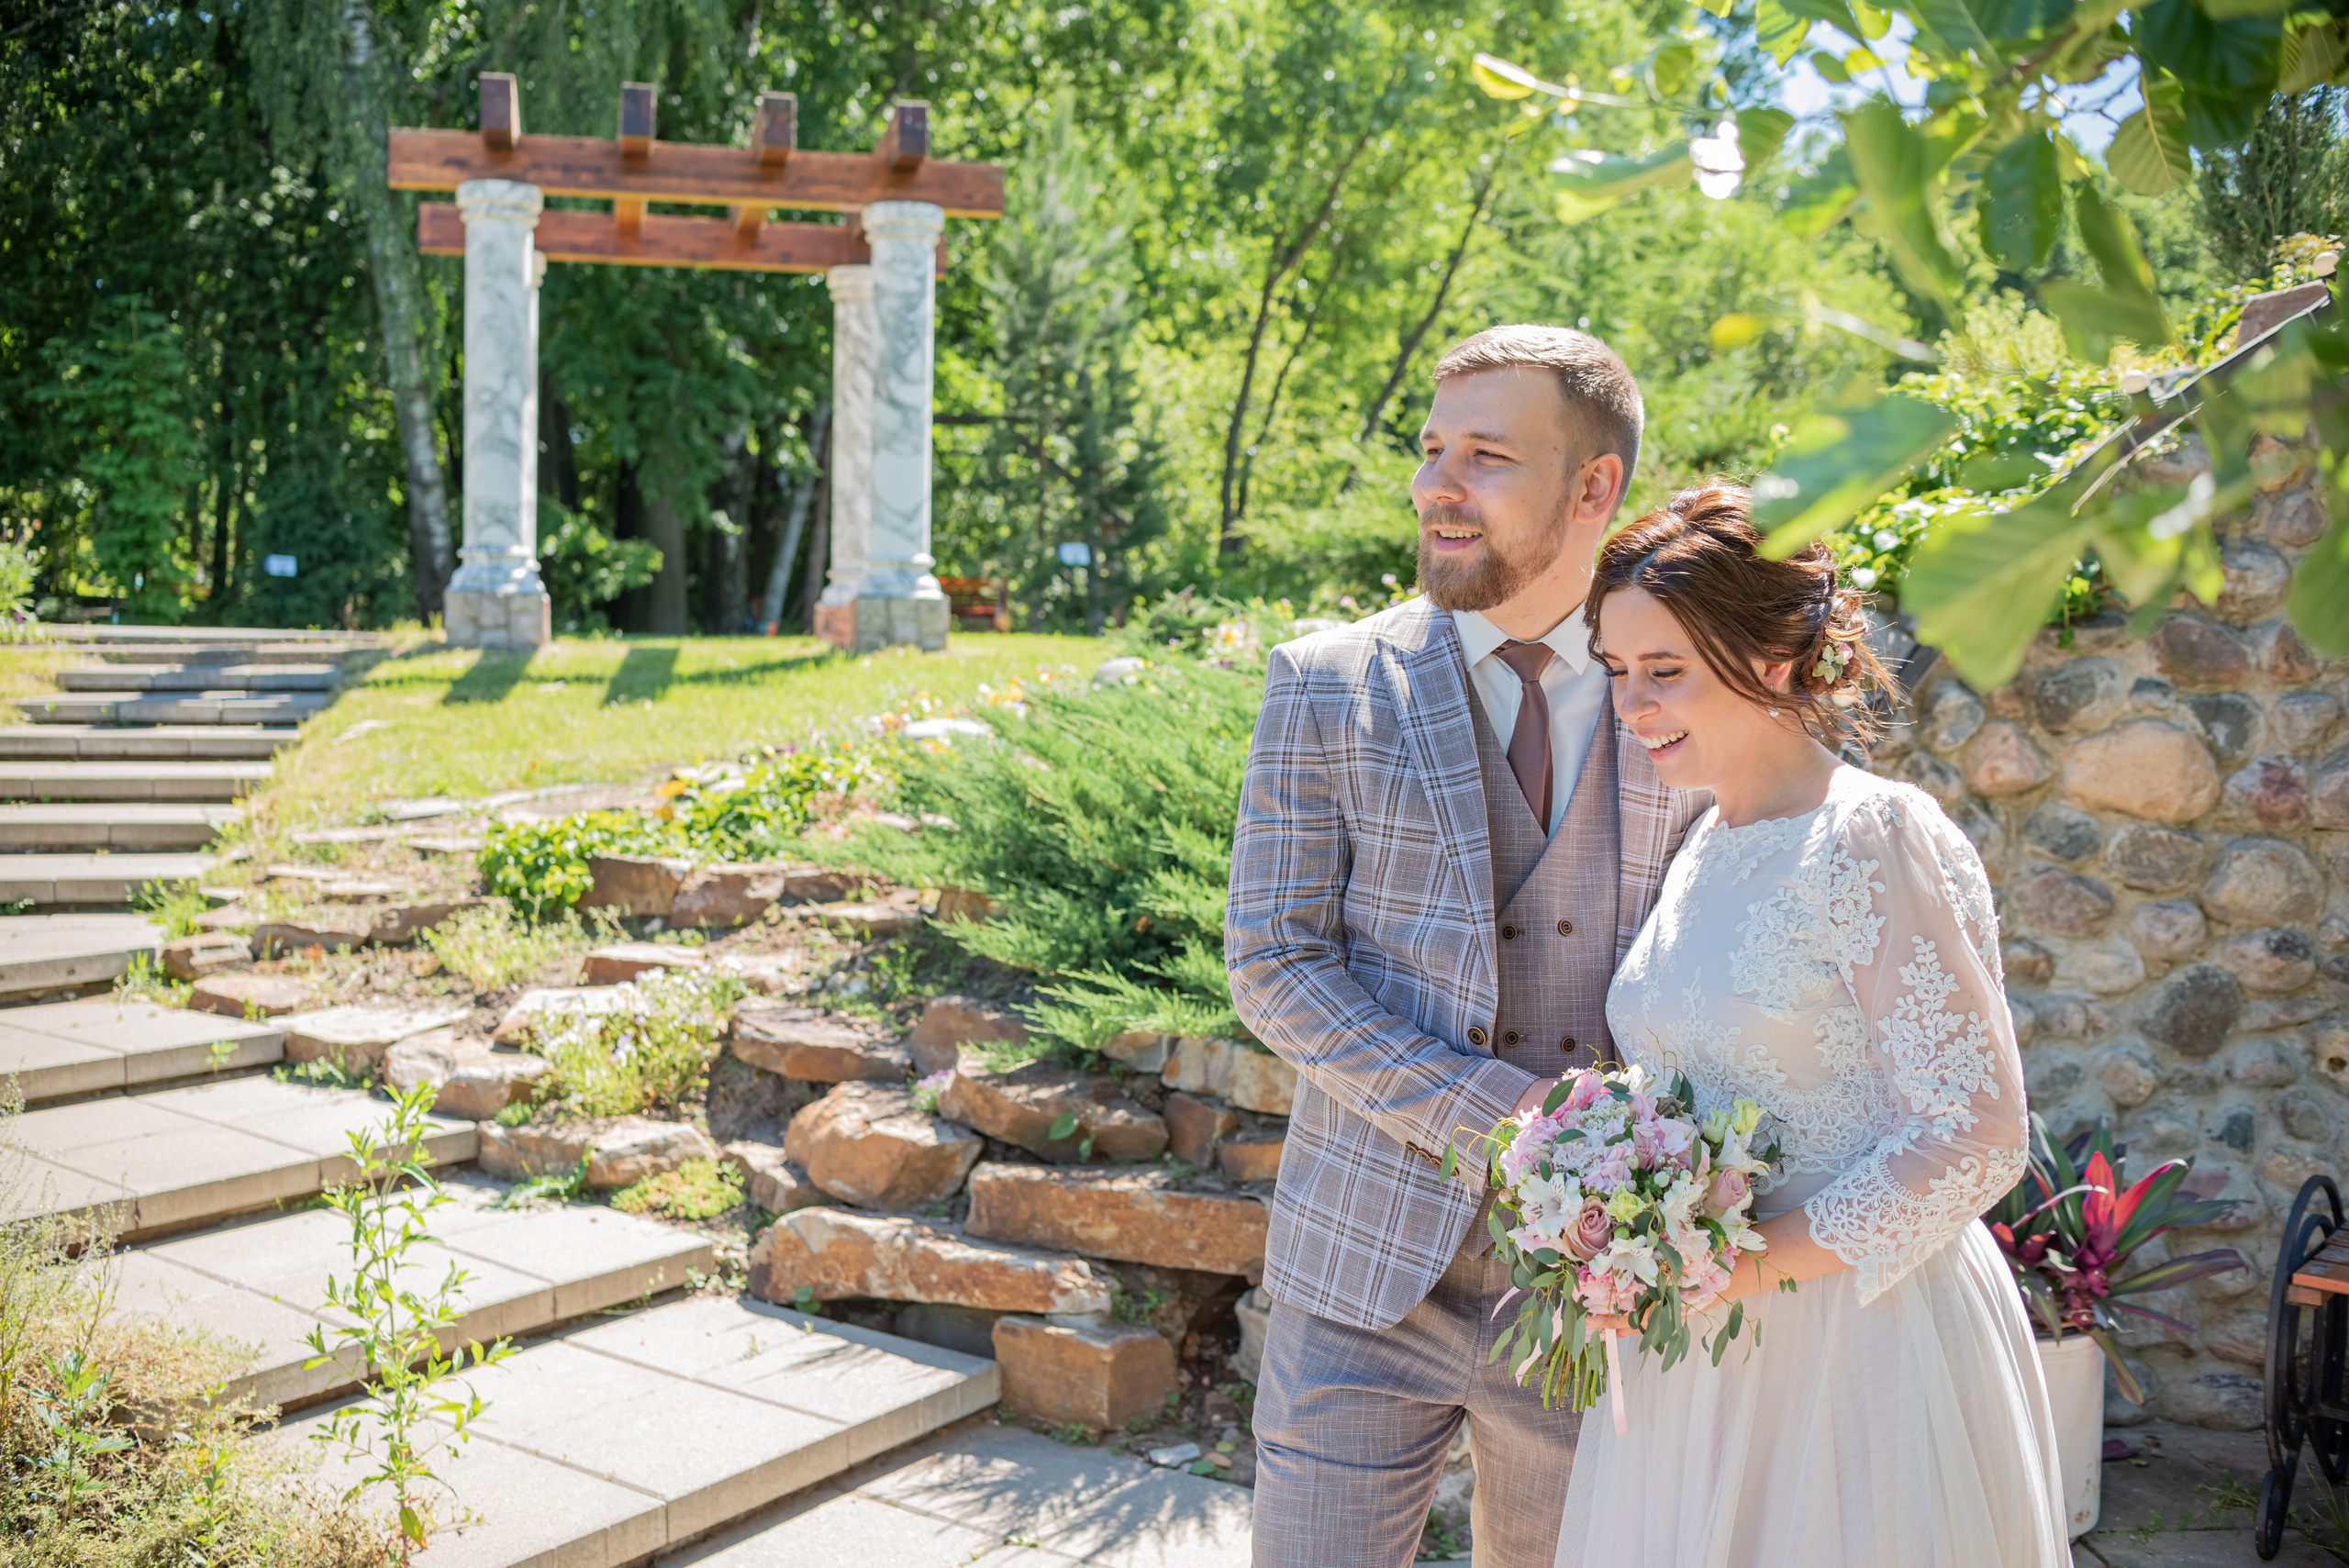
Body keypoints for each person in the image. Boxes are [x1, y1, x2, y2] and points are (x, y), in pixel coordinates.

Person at [1226, 325, 1711, 1567]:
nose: (1435, 483)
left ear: (1593, 487)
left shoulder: (1690, 693)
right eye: (1434, 448)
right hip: (1361, 1271)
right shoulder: (1326, 683)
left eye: (1486, 455)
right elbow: (1274, 964)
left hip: (1599, 1292)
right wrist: (1495, 1113)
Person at [1552, 483, 2067, 1567]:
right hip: (1703, 1342)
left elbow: (1976, 1134)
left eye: (1664, 671)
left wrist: (1726, 1268)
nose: (1631, 706)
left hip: (1858, 1347)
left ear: (1772, 661)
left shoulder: (1868, 834)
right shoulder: (1702, 841)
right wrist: (1619, 1211)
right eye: (1616, 671)